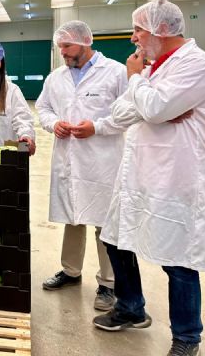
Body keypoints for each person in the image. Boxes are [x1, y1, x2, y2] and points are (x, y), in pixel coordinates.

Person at [94, 0, 205, 356]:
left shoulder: (198, 64)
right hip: (138, 175)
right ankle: (131, 308)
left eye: (139, 30)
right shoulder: (154, 70)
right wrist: (149, 101)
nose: (134, 38)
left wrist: (140, 88)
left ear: (161, 30)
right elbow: (122, 112)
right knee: (116, 239)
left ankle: (186, 338)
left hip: (174, 178)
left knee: (178, 260)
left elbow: (154, 108)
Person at [35, 21, 127, 311]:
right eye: (59, 46)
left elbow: (128, 113)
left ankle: (108, 284)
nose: (62, 52)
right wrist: (53, 124)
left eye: (67, 46)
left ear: (86, 42)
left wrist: (97, 127)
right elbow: (43, 108)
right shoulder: (56, 77)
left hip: (102, 161)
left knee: (104, 224)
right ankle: (71, 271)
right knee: (72, 218)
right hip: (68, 158)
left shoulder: (115, 72)